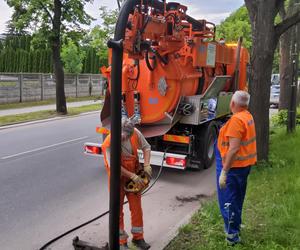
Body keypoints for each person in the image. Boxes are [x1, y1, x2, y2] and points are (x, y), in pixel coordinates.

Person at [101, 118, 152, 250]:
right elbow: (114, 166)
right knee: (117, 211)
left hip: (133, 177)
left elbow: (146, 147)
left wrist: (146, 165)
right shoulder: (108, 143)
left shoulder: (134, 132)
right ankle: (121, 241)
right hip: (117, 180)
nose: (124, 139)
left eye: (126, 137)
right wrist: (132, 176)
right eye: (122, 137)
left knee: (136, 208)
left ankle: (138, 238)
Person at [215, 90, 257, 245]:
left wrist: (224, 172)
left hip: (233, 167)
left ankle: (232, 236)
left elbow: (233, 148)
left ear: (232, 104)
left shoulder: (236, 121)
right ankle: (236, 226)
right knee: (237, 198)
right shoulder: (248, 116)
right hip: (243, 166)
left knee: (228, 201)